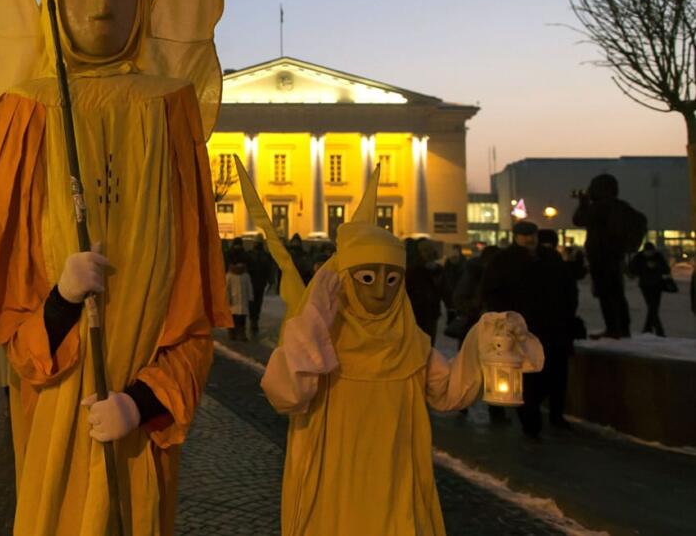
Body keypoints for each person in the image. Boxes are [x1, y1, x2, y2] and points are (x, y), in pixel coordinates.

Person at [0, 0, 231, 534]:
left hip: (137, 436)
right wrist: (59, 301)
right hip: (57, 416)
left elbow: (191, 309)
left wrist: (143, 402)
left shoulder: (171, 110)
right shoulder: (26, 112)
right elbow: (8, 315)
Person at [260, 171, 542, 534]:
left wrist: (485, 341)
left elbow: (449, 392)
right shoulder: (320, 340)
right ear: (344, 280)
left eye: (391, 279)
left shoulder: (410, 343)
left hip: (396, 485)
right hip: (333, 487)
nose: (380, 291)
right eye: (367, 278)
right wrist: (312, 325)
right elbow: (285, 394)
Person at [482, 222, 575, 437]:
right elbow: (491, 293)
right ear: (515, 237)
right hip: (522, 328)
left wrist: (567, 313)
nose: (529, 239)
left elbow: (568, 289)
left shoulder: (550, 258)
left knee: (556, 375)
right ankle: (531, 424)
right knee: (529, 378)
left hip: (554, 327)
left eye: (531, 235)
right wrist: (507, 319)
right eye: (524, 236)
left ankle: (555, 416)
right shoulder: (503, 261)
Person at [573, 173, 645, 339]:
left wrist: (583, 203)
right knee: (617, 294)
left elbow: (579, 220)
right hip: (616, 255)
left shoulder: (599, 207)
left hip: (601, 256)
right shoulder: (622, 206)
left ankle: (613, 329)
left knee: (605, 294)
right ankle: (623, 328)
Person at [405, 238, 445, 343]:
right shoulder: (411, 271)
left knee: (429, 346)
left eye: (429, 249)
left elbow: (443, 290)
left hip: (431, 314)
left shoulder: (438, 270)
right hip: (416, 315)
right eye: (424, 250)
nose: (428, 253)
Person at [629, 242, 672, 336]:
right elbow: (632, 270)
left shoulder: (658, 256)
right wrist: (645, 267)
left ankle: (648, 329)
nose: (649, 254)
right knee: (652, 308)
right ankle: (658, 331)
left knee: (653, 308)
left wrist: (656, 266)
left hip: (657, 285)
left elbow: (666, 269)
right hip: (646, 285)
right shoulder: (639, 257)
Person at [248, 238, 275, 337]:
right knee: (252, 302)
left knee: (258, 302)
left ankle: (255, 320)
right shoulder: (250, 255)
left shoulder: (265, 256)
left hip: (260, 282)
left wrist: (271, 280)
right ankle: (253, 320)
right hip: (252, 282)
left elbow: (269, 268)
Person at [226, 258, 253, 341]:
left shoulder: (246, 275)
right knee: (232, 318)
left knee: (242, 319)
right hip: (233, 302)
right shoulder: (229, 275)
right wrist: (227, 299)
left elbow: (249, 287)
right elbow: (227, 288)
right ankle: (232, 333)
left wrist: (250, 297)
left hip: (243, 301)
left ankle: (241, 333)